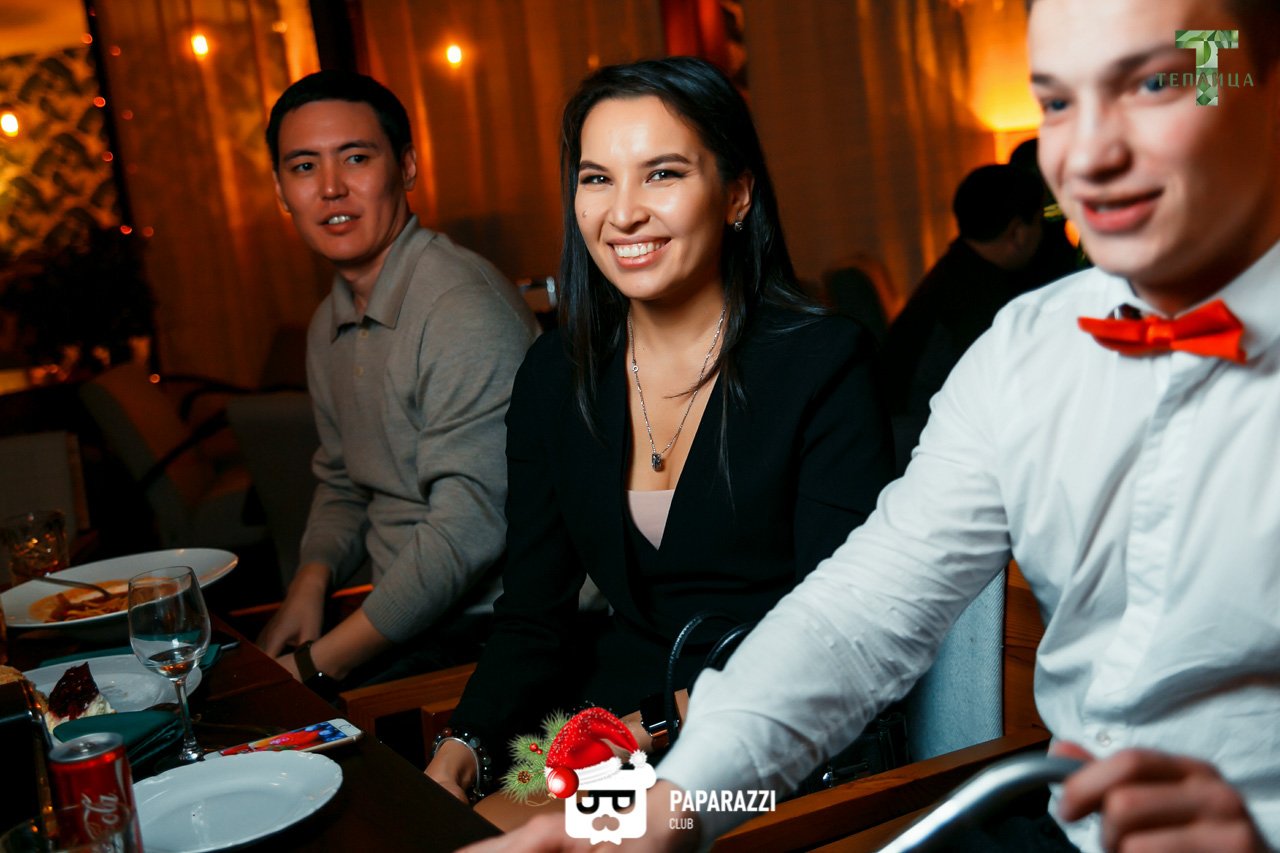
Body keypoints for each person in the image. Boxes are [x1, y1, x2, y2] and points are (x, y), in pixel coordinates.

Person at [463, 0, 1280, 850]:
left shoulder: (817, 358)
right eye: (1057, 102)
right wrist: (667, 811)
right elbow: (855, 620)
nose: (1089, 155)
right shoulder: (1022, 353)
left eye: (1154, 84)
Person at [426, 56, 894, 809]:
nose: (623, 213)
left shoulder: (824, 363)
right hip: (610, 727)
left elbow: (838, 631)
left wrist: (646, 727)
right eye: (597, 178)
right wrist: (465, 742)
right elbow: (534, 615)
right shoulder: (556, 374)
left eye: (663, 174)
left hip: (780, 736)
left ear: (737, 193)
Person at [256, 71, 540, 690]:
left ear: (406, 167)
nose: (331, 187)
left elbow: (470, 526)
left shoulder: (461, 308)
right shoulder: (328, 322)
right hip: (405, 614)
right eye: (304, 167)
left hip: (496, 626)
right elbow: (344, 481)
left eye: (356, 158)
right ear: (281, 191)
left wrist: (318, 664)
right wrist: (311, 580)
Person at [879, 163, 1057, 467]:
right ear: (1017, 232)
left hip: (905, 431)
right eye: (1040, 221)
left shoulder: (956, 271)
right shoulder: (982, 302)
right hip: (927, 444)